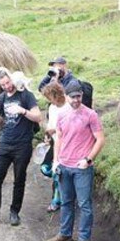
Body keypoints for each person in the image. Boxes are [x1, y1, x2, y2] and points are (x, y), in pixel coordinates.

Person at [44, 81, 104, 241]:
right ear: (67, 96)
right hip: (64, 165)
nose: (76, 100)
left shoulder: (90, 115)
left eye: (79, 96)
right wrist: (56, 161)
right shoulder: (61, 114)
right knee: (66, 201)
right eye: (73, 97)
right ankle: (65, 234)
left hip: (82, 167)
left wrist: (88, 159)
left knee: (84, 204)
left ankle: (84, 239)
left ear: (82, 96)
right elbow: (59, 139)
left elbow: (100, 139)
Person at [0, 71, 41, 227]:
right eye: (3, 84)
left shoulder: (25, 95)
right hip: (5, 143)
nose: (7, 86)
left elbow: (38, 116)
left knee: (19, 180)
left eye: (8, 82)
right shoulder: (2, 98)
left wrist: (23, 111)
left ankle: (14, 212)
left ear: (12, 79)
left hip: (23, 144)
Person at [41, 82, 71, 212]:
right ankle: (57, 199)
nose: (49, 100)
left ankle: (64, 201)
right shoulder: (52, 107)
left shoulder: (69, 107)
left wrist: (56, 130)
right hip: (55, 143)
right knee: (50, 170)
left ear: (55, 95)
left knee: (64, 173)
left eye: (49, 97)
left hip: (69, 145)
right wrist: (48, 134)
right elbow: (50, 124)